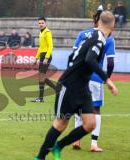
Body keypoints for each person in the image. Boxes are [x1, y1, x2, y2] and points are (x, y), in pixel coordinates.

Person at [34, 11, 118, 160]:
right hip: (69, 86)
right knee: (61, 123)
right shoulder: (98, 39)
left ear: (98, 22)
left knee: (90, 124)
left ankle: (58, 146)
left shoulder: (94, 36)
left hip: (82, 87)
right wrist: (108, 80)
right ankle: (40, 157)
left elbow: (73, 56)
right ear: (113, 25)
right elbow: (90, 60)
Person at [72, 8, 116, 152]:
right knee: (96, 109)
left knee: (79, 108)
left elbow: (74, 56)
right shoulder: (108, 38)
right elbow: (110, 63)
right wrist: (107, 78)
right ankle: (93, 144)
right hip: (96, 78)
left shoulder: (82, 34)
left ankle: (76, 140)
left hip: (79, 77)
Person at [32, 17, 54, 103]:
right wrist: (36, 58)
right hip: (42, 55)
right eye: (39, 23)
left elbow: (50, 46)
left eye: (42, 23)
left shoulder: (47, 32)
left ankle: (58, 89)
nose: (41, 24)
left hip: (46, 56)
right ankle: (58, 89)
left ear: (45, 23)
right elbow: (40, 47)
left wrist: (46, 57)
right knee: (41, 77)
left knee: (41, 76)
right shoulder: (41, 33)